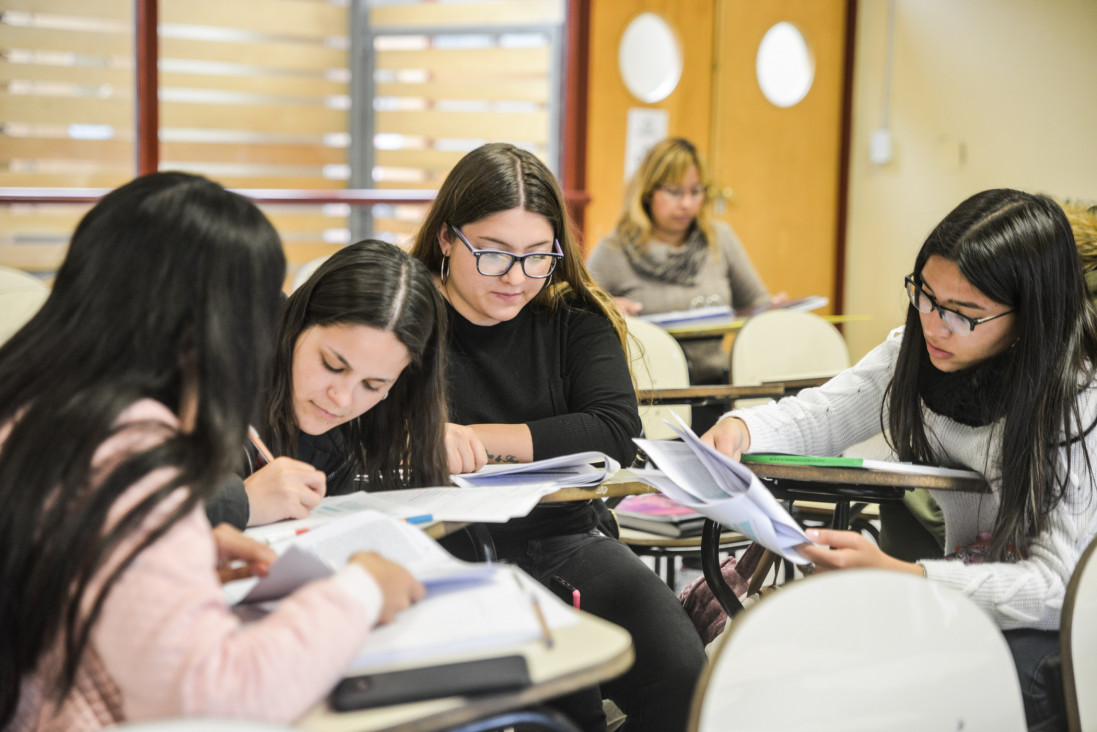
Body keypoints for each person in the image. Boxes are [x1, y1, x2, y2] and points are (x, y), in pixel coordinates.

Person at [0, 173, 424, 730]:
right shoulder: (131, 450)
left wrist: (179, 542)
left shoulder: (35, 397)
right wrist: (362, 590)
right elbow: (216, 699)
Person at [703, 189, 1096, 731]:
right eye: (927, 296)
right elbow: (825, 411)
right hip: (968, 596)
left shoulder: (1076, 398)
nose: (935, 325)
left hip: (1064, 635)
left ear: (1031, 315)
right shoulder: (917, 350)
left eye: (965, 314)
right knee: (814, 667)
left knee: (924, 689)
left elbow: (1058, 591)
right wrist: (743, 427)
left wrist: (905, 577)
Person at [408, 142, 706, 732]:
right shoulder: (405, 313)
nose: (516, 278)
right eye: (492, 254)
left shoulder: (573, 318)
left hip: (565, 537)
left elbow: (612, 431)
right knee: (559, 704)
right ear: (447, 238)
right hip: (440, 549)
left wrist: (469, 437)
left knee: (684, 679)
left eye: (537, 255)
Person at [206, 239, 450, 528]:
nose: (342, 399)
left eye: (372, 385)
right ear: (300, 322)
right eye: (332, 365)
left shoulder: (353, 435)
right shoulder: (219, 349)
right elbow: (141, 483)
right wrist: (240, 502)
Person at [586, 138, 785, 388]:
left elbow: (757, 303)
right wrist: (606, 311)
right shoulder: (614, 250)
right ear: (647, 193)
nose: (687, 204)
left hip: (715, 384)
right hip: (645, 389)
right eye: (674, 191)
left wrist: (772, 311)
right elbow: (575, 316)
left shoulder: (719, 239)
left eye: (696, 191)